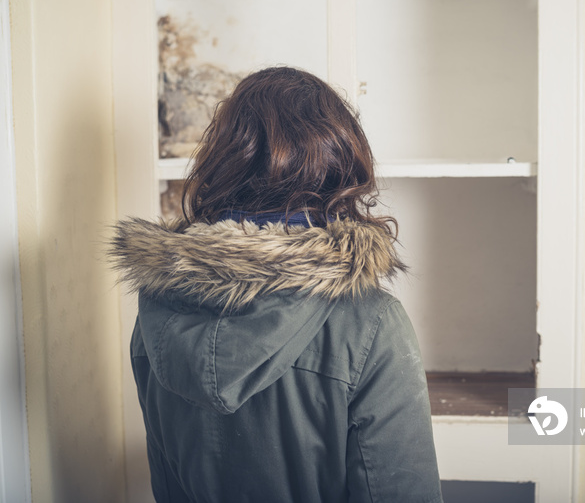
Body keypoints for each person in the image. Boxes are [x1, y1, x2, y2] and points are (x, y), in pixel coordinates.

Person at [110, 66, 443, 503]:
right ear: (339, 166)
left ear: (222, 162)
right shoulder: (371, 322)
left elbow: (168, 484)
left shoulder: (157, 310)